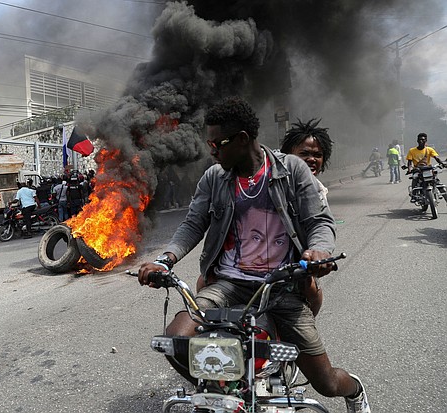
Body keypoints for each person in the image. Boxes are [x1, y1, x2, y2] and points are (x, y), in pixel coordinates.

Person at [137, 96, 370, 413]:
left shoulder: (292, 170)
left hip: (281, 287)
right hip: (228, 283)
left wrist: (318, 251)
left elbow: (320, 222)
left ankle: (354, 390)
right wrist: (166, 260)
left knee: (326, 383)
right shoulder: (214, 178)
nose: (212, 151)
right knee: (177, 340)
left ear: (242, 139)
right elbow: (193, 223)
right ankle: (227, 392)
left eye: (217, 143)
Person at [280, 118, 334, 316]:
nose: (311, 159)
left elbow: (321, 224)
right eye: (304, 154)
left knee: (312, 292)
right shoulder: (272, 180)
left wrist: (319, 251)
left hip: (296, 263)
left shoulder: (319, 190)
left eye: (317, 155)